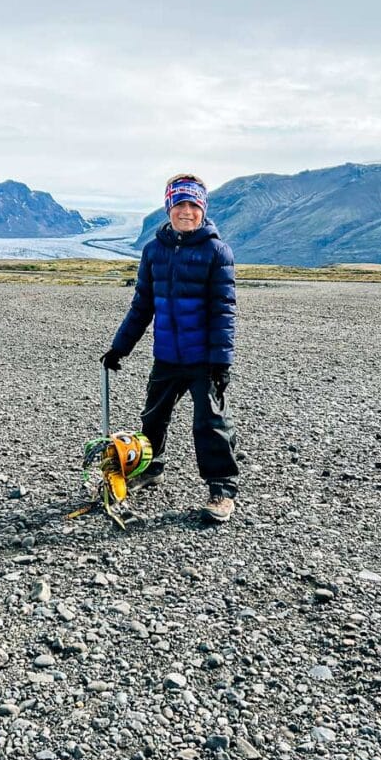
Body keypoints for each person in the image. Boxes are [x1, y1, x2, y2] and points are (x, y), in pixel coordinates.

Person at [101, 174, 238, 522]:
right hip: (167, 355)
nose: (187, 212)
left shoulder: (216, 251)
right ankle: (151, 468)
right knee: (153, 417)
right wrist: (120, 348)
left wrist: (221, 362)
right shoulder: (154, 251)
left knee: (210, 423)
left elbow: (224, 310)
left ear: (202, 209)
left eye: (193, 205)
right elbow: (142, 305)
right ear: (169, 208)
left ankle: (221, 490)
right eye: (180, 204)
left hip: (203, 358)